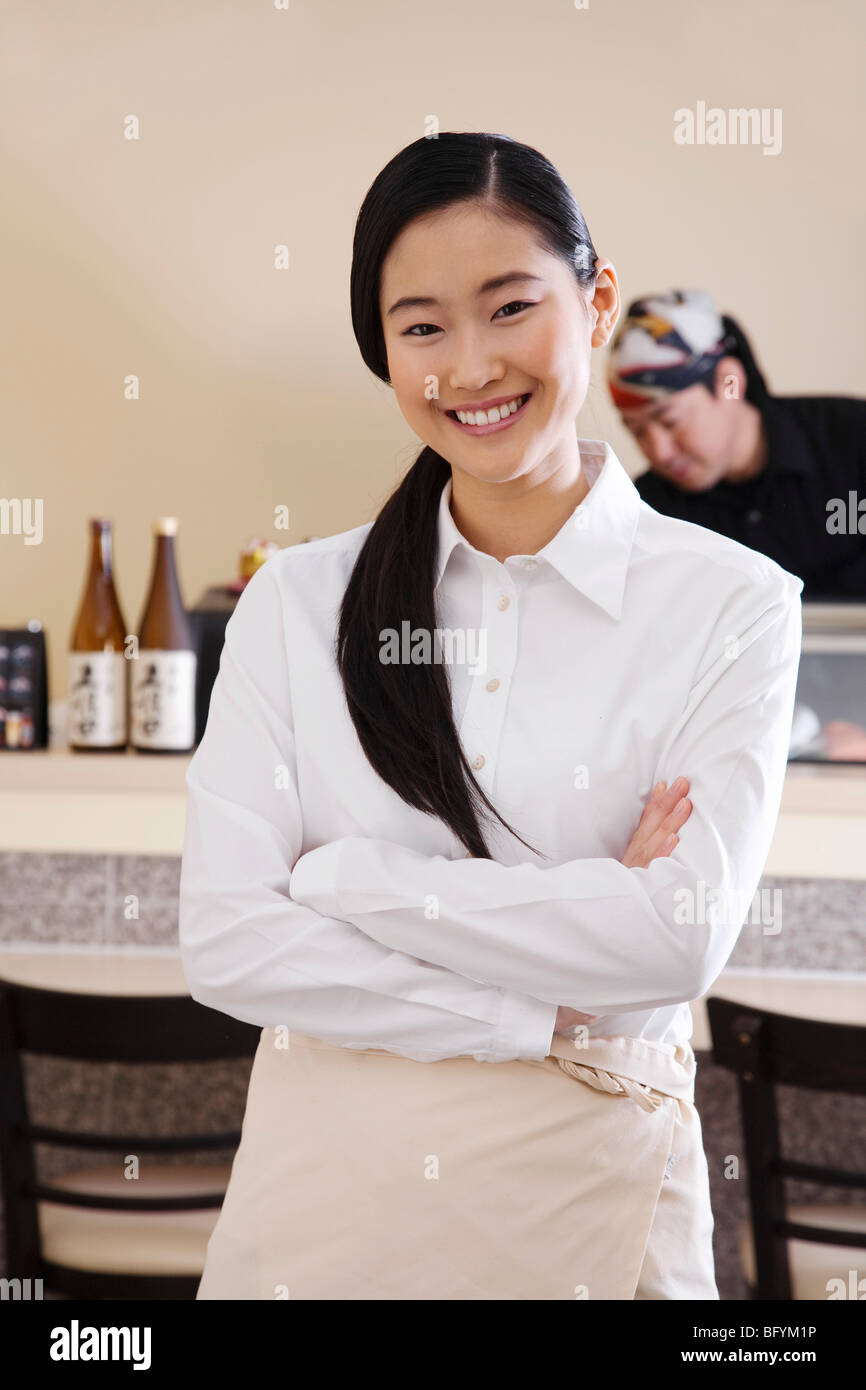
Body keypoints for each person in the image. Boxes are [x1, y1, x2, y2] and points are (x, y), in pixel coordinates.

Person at [178, 132, 803, 1301]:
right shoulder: (297, 603)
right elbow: (226, 941)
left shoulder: (730, 604)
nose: (467, 366)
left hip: (594, 1212)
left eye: (507, 307)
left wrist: (348, 880)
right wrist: (544, 999)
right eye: (420, 327)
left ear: (595, 299)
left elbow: (671, 942)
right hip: (325, 1226)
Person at [606, 290, 866, 599]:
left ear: (729, 382)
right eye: (637, 432)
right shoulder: (647, 511)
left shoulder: (852, 439)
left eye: (669, 422)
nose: (658, 452)